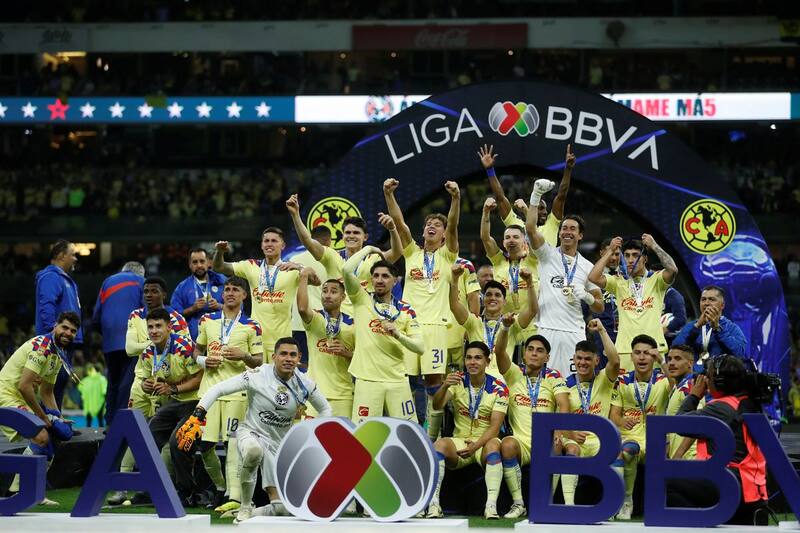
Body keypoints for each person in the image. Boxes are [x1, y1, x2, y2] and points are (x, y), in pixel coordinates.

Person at [176, 337, 332, 523]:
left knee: (281, 509)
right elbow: (218, 389)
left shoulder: (305, 384)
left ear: (299, 358)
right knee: (253, 451)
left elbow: (325, 409)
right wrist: (198, 414)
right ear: (274, 357)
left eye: (293, 355)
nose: (288, 359)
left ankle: (250, 513)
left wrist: (316, 435)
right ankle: (244, 506)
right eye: (283, 354)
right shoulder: (257, 375)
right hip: (251, 433)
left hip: (277, 445)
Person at [383, 178, 460, 440]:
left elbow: (454, 225)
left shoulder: (448, 255)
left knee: (433, 381)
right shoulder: (412, 254)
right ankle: (406, 428)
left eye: (437, 225)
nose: (431, 226)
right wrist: (389, 194)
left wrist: (456, 198)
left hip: (436, 327)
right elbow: (399, 222)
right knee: (403, 379)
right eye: (428, 224)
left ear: (443, 234)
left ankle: (432, 436)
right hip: (408, 326)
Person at [187, 276, 263, 515]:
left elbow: (259, 361)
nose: (230, 293)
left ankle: (234, 496)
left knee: (233, 445)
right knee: (204, 445)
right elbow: (196, 350)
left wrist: (244, 356)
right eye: (227, 289)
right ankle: (221, 487)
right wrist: (203, 360)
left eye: (235, 290)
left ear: (244, 295)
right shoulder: (207, 320)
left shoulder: (252, 325)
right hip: (209, 393)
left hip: (237, 393)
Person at [667, 355, 769, 525]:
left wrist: (694, 395)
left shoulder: (721, 407)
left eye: (708, 376)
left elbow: (679, 423)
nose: (705, 380)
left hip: (730, 484)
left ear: (719, 382)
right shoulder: (746, 401)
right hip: (751, 488)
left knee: (665, 481)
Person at [491, 319, 570, 519]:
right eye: (530, 349)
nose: (534, 353)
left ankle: (547, 503)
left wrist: (558, 430)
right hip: (522, 441)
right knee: (507, 444)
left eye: (540, 350)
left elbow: (563, 404)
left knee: (557, 444)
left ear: (547, 357)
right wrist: (505, 328)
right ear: (524, 354)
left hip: (546, 438)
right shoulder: (514, 374)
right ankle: (519, 504)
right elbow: (499, 352)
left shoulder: (554, 376)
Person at [0, 312, 80, 505]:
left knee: (50, 437)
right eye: (64, 327)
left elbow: (47, 391)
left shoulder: (57, 353)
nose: (68, 333)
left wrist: (58, 417)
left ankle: (29, 492)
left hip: (19, 397)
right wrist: (42, 416)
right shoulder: (42, 347)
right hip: (6, 395)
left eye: (72, 331)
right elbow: (24, 386)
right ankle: (19, 491)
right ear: (55, 326)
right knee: (41, 435)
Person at [425, 342, 508, 519]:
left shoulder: (499, 388)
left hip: (484, 442)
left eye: (478, 358)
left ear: (487, 361)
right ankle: (434, 504)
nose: (472, 362)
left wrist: (475, 446)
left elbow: (495, 428)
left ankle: (491, 506)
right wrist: (444, 386)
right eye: (469, 358)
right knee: (439, 445)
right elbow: (437, 405)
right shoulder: (457, 381)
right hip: (460, 441)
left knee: (494, 446)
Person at [286, 194, 403, 315]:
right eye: (348, 232)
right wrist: (295, 215)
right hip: (339, 320)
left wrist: (392, 229)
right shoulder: (331, 256)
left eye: (356, 233)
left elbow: (397, 252)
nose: (351, 236)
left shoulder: (374, 258)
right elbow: (308, 241)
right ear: (342, 236)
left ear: (365, 237)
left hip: (366, 318)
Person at [343, 247, 423, 422]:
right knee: (364, 434)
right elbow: (347, 270)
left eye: (385, 276)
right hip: (367, 381)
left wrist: (398, 335)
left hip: (398, 381)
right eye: (376, 276)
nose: (379, 280)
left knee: (407, 431)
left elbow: (420, 348)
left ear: (395, 281)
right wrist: (369, 249)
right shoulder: (361, 299)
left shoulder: (406, 310)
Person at [134, 308, 203, 506]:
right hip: (173, 402)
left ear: (169, 327)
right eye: (150, 327)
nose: (154, 331)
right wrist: (146, 385)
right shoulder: (148, 352)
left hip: (196, 402)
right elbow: (146, 380)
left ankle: (186, 492)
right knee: (147, 437)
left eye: (158, 326)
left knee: (178, 442)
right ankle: (148, 488)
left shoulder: (184, 346)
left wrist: (173, 388)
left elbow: (200, 377)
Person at [526, 209, 604, 376]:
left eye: (572, 229)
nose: (567, 232)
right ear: (559, 233)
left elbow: (600, 306)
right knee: (545, 380)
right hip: (546, 328)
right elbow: (531, 229)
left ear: (580, 235)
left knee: (575, 381)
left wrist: (588, 297)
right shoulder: (546, 254)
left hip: (574, 332)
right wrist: (536, 197)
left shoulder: (587, 267)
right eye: (564, 228)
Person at [588, 236, 678, 373]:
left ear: (645, 259)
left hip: (654, 350)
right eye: (627, 255)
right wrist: (610, 250)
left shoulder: (657, 280)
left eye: (635, 255)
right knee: (625, 387)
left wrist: (654, 245)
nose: (630, 260)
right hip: (625, 351)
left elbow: (672, 270)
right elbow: (593, 277)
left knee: (656, 387)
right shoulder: (618, 282)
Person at [609, 334, 670, 520]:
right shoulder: (622, 381)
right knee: (626, 450)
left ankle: (659, 505)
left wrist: (662, 360)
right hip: (631, 436)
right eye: (637, 353)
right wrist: (621, 421)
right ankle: (626, 501)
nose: (642, 357)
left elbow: (678, 385)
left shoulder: (663, 380)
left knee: (662, 454)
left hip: (656, 438)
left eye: (647, 353)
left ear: (654, 357)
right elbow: (614, 415)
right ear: (631, 356)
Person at [560, 319, 620, 505]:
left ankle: (615, 504)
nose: (582, 362)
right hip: (573, 438)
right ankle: (569, 505)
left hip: (599, 440)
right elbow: (559, 419)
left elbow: (615, 360)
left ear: (596, 360)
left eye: (587, 359)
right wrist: (571, 434)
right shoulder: (563, 384)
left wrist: (602, 330)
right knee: (571, 450)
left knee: (617, 452)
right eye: (579, 358)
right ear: (574, 359)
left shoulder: (604, 379)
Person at [213, 228, 301, 351]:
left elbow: (316, 280)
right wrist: (219, 252)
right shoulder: (251, 265)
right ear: (261, 245)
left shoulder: (291, 269)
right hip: (256, 340)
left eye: (274, 241)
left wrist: (300, 268)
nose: (269, 244)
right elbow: (219, 267)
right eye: (266, 241)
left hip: (282, 341)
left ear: (283, 245)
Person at [449, 265, 538, 376]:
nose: (493, 298)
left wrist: (529, 283)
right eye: (489, 294)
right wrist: (455, 279)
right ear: (483, 300)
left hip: (502, 380)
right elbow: (454, 306)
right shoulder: (474, 322)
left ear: (504, 301)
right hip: (477, 377)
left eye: (497, 295)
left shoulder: (510, 322)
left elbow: (532, 310)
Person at [297, 268, 354, 418]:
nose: (328, 295)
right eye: (324, 291)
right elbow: (302, 308)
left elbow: (364, 360)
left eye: (333, 292)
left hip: (343, 395)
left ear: (343, 297)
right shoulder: (316, 318)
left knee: (343, 434)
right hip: (314, 393)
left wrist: (347, 353)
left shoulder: (353, 324)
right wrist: (303, 276)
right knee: (310, 434)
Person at [92, 261, 144, 424]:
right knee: (127, 382)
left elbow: (96, 317)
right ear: (140, 273)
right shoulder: (141, 281)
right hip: (132, 342)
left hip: (110, 342)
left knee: (113, 381)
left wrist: (107, 335)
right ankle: (120, 425)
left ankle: (110, 422)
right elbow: (147, 311)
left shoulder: (107, 281)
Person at [35, 239, 82, 407]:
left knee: (59, 383)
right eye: (73, 254)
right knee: (51, 385)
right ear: (62, 256)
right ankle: (48, 421)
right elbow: (47, 306)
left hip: (65, 340)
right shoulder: (51, 277)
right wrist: (52, 333)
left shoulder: (65, 279)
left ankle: (54, 420)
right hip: (56, 340)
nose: (76, 258)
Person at [673, 286, 746, 360]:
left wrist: (718, 330)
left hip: (718, 367)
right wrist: (697, 326)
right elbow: (674, 350)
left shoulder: (732, 328)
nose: (706, 303)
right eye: (703, 299)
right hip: (693, 367)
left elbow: (739, 354)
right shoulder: (692, 326)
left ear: (722, 305)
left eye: (712, 299)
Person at [171, 248, 226, 341]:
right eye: (195, 262)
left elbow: (238, 308)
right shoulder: (182, 288)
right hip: (194, 339)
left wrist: (219, 306)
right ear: (190, 265)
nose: (199, 265)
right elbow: (174, 316)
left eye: (202, 261)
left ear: (208, 263)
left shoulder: (222, 282)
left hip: (221, 337)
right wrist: (192, 309)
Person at [664, 344, 702, 459]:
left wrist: (678, 454)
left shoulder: (690, 385)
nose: (671, 363)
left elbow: (699, 422)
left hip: (690, 457)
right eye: (669, 359)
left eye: (678, 358)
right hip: (681, 457)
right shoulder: (678, 387)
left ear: (690, 363)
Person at [447, 258, 481, 369]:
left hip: (459, 330)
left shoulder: (464, 265)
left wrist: (471, 329)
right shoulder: (427, 263)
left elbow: (473, 297)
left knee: (459, 375)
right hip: (435, 330)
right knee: (436, 376)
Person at [590, 239, 620, 361]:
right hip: (602, 333)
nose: (613, 258)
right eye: (610, 253)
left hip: (625, 332)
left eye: (617, 254)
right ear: (602, 253)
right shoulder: (593, 276)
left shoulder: (627, 276)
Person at [78, 363, 108, 427]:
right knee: (100, 420)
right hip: (100, 403)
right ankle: (102, 431)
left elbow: (80, 388)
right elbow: (104, 391)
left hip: (89, 404)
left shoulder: (86, 380)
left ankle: (87, 432)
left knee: (89, 421)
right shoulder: (102, 379)